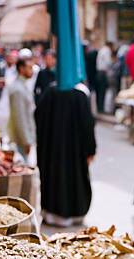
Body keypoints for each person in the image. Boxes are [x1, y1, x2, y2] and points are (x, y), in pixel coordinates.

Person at [35, 83, 96, 227]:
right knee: (74, 180)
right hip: (75, 152)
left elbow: (38, 116)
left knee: (54, 178)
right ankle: (75, 214)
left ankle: (51, 214)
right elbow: (88, 126)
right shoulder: (80, 94)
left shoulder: (49, 92)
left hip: (52, 151)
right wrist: (90, 150)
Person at [7, 58, 36, 161]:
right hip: (21, 140)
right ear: (21, 69)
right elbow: (20, 117)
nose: (31, 71)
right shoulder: (17, 89)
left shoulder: (22, 86)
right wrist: (26, 140)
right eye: (29, 68)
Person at [96, 41, 113, 113]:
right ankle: (101, 109)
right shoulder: (107, 50)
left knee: (99, 92)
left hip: (98, 72)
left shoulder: (101, 49)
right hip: (103, 73)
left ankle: (99, 108)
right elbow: (108, 62)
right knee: (102, 91)